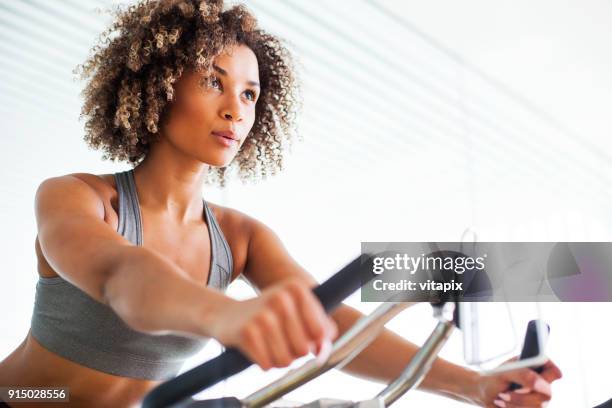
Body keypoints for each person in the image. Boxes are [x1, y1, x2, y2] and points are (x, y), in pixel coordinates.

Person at [0, 1, 562, 407]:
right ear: (161, 83)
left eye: (249, 93)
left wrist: (476, 386)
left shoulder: (241, 239)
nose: (236, 110)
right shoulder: (77, 196)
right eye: (213, 82)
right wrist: (228, 316)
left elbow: (332, 321)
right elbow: (122, 276)